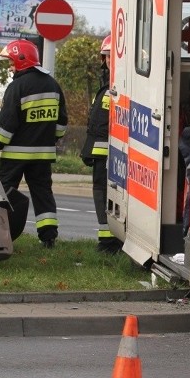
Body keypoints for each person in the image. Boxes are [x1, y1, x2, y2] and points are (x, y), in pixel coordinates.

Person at [0, 39, 68, 248]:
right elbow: (62, 122)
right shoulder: (53, 85)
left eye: (11, 62)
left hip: (15, 155)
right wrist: (50, 140)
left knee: (3, 193)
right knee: (43, 194)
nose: (9, 67)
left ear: (22, 59)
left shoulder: (17, 87)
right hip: (42, 155)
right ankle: (49, 237)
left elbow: (6, 122)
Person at [81, 35, 123, 254]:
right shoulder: (106, 86)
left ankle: (109, 245)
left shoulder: (117, 86)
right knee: (102, 197)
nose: (108, 61)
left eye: (111, 56)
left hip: (110, 156)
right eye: (105, 57)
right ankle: (107, 242)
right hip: (102, 155)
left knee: (106, 196)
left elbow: (101, 126)